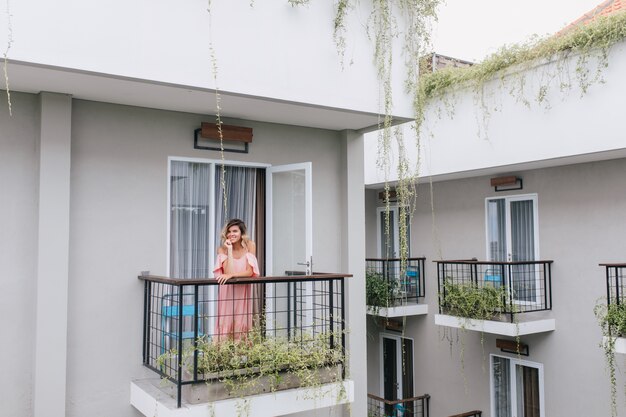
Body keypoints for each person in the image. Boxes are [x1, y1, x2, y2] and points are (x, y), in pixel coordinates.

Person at [213, 218, 259, 341]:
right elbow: (228, 272)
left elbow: (250, 272)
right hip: (227, 291)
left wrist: (232, 276)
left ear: (241, 233)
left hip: (243, 291)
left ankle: (241, 357)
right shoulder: (222, 249)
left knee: (241, 322)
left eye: (235, 231)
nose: (231, 234)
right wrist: (229, 250)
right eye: (229, 231)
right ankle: (223, 355)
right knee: (226, 322)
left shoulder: (250, 245)